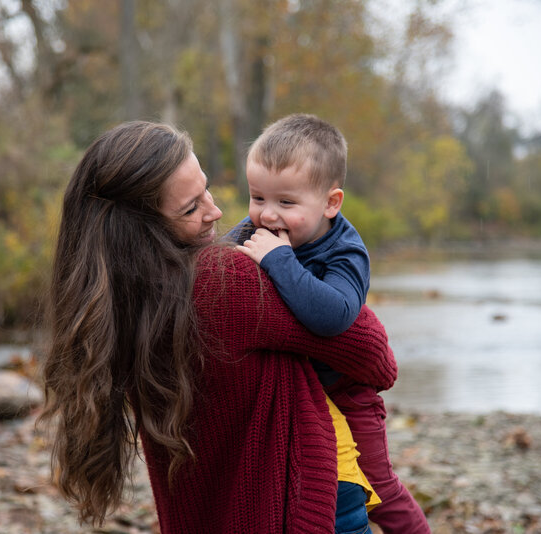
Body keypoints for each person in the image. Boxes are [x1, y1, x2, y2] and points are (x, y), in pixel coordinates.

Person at [38, 120, 399, 533]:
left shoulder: (118, 304)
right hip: (299, 506)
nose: (216, 211)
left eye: (205, 190)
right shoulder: (223, 279)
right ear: (141, 232)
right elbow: (375, 358)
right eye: (191, 208)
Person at [232, 113, 430, 533]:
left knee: (376, 486)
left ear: (330, 203)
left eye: (286, 203)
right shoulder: (258, 227)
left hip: (347, 390)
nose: (267, 216)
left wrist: (278, 261)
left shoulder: (345, 252)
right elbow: (218, 268)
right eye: (257, 198)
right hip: (294, 388)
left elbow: (334, 316)